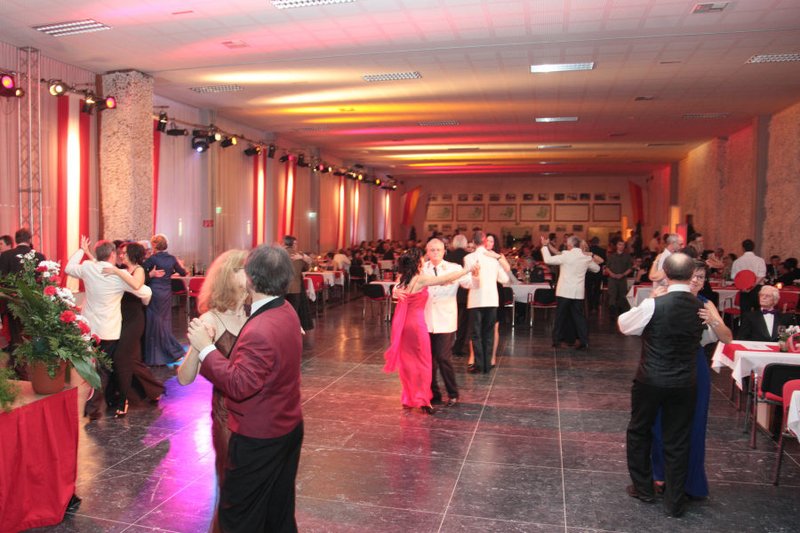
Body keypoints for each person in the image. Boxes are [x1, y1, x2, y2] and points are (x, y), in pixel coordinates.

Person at [187, 245, 303, 532]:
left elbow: (239, 385)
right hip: (287, 425)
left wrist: (205, 349)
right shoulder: (286, 310)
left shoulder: (260, 328)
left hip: (259, 435)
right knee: (278, 511)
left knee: (239, 516)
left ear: (250, 278)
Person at [618, 253, 706, 518]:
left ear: (665, 273)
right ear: (691, 275)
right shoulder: (701, 307)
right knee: (678, 439)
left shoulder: (655, 304)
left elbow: (625, 325)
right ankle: (675, 501)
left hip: (651, 379)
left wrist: (649, 301)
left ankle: (644, 488)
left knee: (639, 431)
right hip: (685, 381)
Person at [177, 249, 248, 533]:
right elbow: (184, 378)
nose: (252, 274)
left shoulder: (257, 313)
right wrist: (199, 345)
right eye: (244, 269)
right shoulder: (211, 319)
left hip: (259, 415)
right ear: (228, 277)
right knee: (232, 487)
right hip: (227, 417)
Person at [650, 260, 732, 500]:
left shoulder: (706, 304)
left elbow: (727, 338)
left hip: (695, 364)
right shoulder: (663, 296)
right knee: (659, 420)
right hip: (663, 361)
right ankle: (659, 474)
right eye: (693, 276)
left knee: (694, 423)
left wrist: (713, 320)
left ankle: (690, 481)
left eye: (701, 277)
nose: (696, 281)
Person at [64, 237, 152, 419]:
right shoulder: (117, 276)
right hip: (109, 330)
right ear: (112, 254)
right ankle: (94, 406)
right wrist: (146, 299)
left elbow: (69, 268)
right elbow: (143, 291)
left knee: (94, 366)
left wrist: (81, 250)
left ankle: (99, 403)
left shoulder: (88, 267)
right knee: (103, 369)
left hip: (90, 329)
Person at [384, 247, 477, 414]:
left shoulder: (404, 278)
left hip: (404, 326)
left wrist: (395, 290)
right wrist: (466, 270)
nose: (424, 259)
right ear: (417, 262)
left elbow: (397, 288)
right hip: (417, 326)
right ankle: (423, 400)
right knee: (424, 363)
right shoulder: (420, 278)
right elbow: (445, 278)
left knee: (409, 362)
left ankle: (409, 398)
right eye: (422, 257)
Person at [103, 242, 165, 416]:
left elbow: (136, 285)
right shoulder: (122, 270)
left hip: (134, 319)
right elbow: (101, 265)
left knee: (121, 357)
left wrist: (117, 272)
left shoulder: (139, 270)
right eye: (120, 253)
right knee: (132, 360)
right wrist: (88, 253)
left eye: (124, 252)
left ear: (132, 254)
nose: (121, 255)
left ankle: (125, 398)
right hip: (120, 318)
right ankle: (153, 390)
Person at [422, 238, 466, 407]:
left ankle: (453, 393)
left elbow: (469, 283)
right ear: (427, 252)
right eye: (432, 250)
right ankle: (434, 393)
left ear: (444, 251)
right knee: (429, 360)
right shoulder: (421, 269)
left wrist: (476, 275)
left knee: (443, 357)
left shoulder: (454, 268)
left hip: (445, 319)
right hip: (426, 319)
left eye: (438, 250)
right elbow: (404, 284)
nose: (435, 253)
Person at [541, 235, 601, 349]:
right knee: (579, 318)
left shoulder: (566, 255)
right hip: (578, 292)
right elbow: (597, 269)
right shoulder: (585, 257)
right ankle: (584, 341)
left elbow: (548, 260)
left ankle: (556, 340)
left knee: (560, 317)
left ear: (570, 245)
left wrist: (544, 246)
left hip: (564, 291)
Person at [0, 228, 46, 378]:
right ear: (29, 239)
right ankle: (38, 368)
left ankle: (18, 370)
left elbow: (2, 280)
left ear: (16, 239)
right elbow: (43, 281)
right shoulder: (39, 256)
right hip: (33, 304)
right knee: (35, 336)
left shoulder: (5, 256)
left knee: (16, 338)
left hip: (12, 304)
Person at [464, 231, 510, 373]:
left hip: (476, 300)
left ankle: (479, 364)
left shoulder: (469, 258)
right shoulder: (493, 259)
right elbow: (504, 279)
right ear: (485, 242)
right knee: (489, 333)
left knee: (476, 334)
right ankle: (487, 365)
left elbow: (467, 280)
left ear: (473, 242)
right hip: (492, 300)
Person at [142, 233, 187, 365]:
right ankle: (171, 350)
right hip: (166, 292)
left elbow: (141, 271)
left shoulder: (153, 259)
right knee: (164, 321)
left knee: (155, 320)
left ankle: (156, 354)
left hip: (155, 291)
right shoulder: (172, 258)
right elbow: (183, 272)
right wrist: (171, 271)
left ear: (155, 245)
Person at [445, 234, 470, 356]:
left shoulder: (447, 257)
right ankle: (458, 347)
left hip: (449, 292)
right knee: (463, 322)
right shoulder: (468, 257)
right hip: (465, 293)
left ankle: (446, 345)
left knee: (449, 319)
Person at [283, 236, 314, 331]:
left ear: (285, 243)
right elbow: (309, 266)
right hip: (295, 288)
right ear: (293, 244)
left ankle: (283, 330)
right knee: (294, 311)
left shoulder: (279, 254)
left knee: (282, 311)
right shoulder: (299, 255)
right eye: (296, 243)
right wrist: (303, 258)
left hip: (281, 288)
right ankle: (293, 331)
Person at [731, 239, 766, 313]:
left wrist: (745, 286)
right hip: (757, 288)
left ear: (743, 248)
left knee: (745, 313)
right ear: (753, 247)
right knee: (758, 313)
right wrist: (752, 286)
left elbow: (734, 277)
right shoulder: (760, 260)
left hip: (743, 289)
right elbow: (762, 275)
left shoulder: (737, 261)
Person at [605, 239, 633, 319]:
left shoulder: (627, 256)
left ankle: (621, 314)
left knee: (622, 296)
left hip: (622, 279)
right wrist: (612, 274)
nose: (621, 246)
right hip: (612, 279)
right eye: (619, 244)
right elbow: (607, 267)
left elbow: (630, 268)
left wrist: (623, 274)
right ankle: (612, 314)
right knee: (612, 295)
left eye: (623, 245)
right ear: (616, 246)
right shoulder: (611, 256)